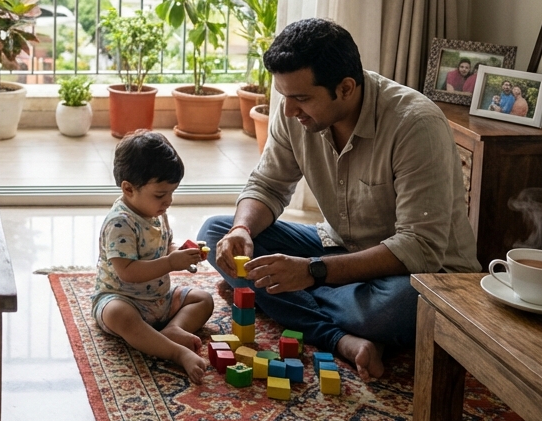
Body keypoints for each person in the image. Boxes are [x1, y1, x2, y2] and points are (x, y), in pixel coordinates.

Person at [199, 19, 479, 381]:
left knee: (392, 308)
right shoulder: (295, 115)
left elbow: (419, 248)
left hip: (422, 274)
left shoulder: (416, 124)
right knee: (215, 233)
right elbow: (268, 185)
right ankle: (344, 338)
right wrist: (242, 228)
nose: (287, 111)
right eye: (284, 96)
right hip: (341, 249)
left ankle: (281, 301)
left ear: (346, 88)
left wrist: (311, 273)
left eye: (301, 98)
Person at [92, 131, 213, 383]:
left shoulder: (156, 212)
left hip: (160, 298)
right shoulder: (120, 222)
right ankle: (175, 351)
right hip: (124, 298)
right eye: (160, 194)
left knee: (203, 299)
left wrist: (180, 253)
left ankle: (172, 330)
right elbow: (127, 271)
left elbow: (167, 244)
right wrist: (170, 263)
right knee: (119, 315)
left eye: (171, 192)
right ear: (128, 188)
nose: (168, 201)